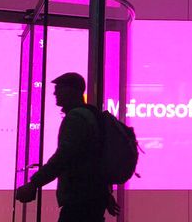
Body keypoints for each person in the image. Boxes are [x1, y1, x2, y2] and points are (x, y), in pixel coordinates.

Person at [15, 72, 118, 222]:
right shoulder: (91, 115)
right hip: (92, 197)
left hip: (80, 198)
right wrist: (105, 193)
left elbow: (63, 157)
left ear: (73, 91)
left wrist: (34, 183)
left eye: (60, 88)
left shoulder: (76, 118)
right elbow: (96, 160)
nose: (55, 92)